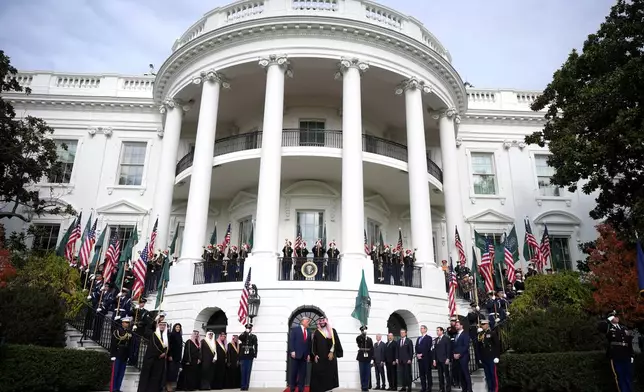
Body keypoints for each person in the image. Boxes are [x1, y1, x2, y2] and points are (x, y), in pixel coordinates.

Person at [602, 310, 634, 392]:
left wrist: (631, 355)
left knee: (628, 375)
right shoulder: (608, 327)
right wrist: (608, 319)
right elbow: (600, 326)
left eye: (617, 316)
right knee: (620, 376)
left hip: (626, 355)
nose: (617, 317)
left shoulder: (624, 328)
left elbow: (629, 342)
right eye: (614, 316)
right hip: (616, 355)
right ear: (610, 318)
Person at [310, 317, 344, 392]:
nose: (322, 322)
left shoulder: (332, 331)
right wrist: (315, 355)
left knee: (330, 374)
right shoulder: (317, 332)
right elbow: (313, 345)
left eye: (323, 321)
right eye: (320, 321)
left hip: (330, 357)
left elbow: (335, 343)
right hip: (320, 357)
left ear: (326, 322)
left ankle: (329, 390)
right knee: (319, 375)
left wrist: (332, 352)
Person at [138, 320, 169, 392]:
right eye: (161, 325)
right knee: (150, 377)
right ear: (158, 325)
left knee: (158, 377)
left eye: (164, 325)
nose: (162, 326)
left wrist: (165, 353)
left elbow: (166, 347)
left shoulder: (165, 336)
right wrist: (160, 353)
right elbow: (154, 346)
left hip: (160, 360)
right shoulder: (154, 334)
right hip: (152, 359)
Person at [110, 316, 133, 392]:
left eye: (128, 323)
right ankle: (113, 388)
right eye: (126, 322)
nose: (127, 324)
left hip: (125, 354)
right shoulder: (117, 331)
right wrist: (112, 355)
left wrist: (129, 355)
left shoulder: (129, 332)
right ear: (122, 323)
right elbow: (113, 344)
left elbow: (130, 345)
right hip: (118, 353)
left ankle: (118, 388)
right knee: (116, 372)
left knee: (121, 373)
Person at [288, 317, 311, 392]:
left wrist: (308, 354)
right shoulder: (295, 329)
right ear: (303, 321)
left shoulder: (309, 331)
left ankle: (301, 389)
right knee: (294, 372)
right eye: (307, 321)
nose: (308, 323)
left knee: (303, 373)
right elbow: (291, 341)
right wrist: (292, 351)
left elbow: (308, 344)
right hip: (295, 355)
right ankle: (292, 388)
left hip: (304, 356)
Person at [477, 320, 500, 392]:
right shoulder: (481, 334)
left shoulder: (492, 333)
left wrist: (497, 356)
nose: (482, 325)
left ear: (487, 324)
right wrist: (480, 357)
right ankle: (490, 389)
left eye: (484, 324)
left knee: (493, 374)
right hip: (485, 358)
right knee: (487, 375)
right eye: (482, 324)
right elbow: (479, 346)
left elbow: (497, 345)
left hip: (491, 357)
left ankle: (495, 390)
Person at [452, 321, 472, 392]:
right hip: (456, 357)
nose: (456, 326)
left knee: (465, 373)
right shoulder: (456, 335)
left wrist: (459, 354)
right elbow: (454, 346)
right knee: (460, 374)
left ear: (461, 326)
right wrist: (454, 354)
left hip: (463, 357)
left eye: (457, 325)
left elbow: (466, 346)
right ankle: (464, 389)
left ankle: (469, 389)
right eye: (456, 325)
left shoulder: (465, 334)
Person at [239, 323, 258, 391]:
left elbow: (256, 345)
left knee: (248, 371)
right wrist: (245, 332)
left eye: (249, 328)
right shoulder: (244, 335)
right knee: (243, 371)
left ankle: (246, 386)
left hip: (250, 355)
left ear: (251, 329)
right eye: (247, 328)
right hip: (243, 355)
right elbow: (240, 338)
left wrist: (255, 353)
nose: (248, 329)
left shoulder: (253, 336)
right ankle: (242, 386)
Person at [433, 327, 452, 392]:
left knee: (446, 375)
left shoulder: (446, 339)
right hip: (438, 360)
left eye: (438, 330)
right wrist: (434, 360)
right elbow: (434, 350)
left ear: (442, 331)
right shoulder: (436, 340)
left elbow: (448, 349)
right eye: (436, 331)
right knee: (440, 376)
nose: (437, 332)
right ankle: (441, 388)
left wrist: (448, 358)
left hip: (444, 359)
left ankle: (448, 389)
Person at [356, 326, 374, 392]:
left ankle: (366, 386)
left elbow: (372, 349)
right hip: (361, 357)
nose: (364, 331)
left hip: (368, 357)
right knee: (362, 372)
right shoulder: (359, 338)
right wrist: (363, 337)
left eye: (365, 330)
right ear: (361, 331)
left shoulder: (369, 339)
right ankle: (363, 386)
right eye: (363, 330)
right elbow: (359, 344)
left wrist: (372, 358)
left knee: (367, 372)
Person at [415, 325, 433, 392]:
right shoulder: (419, 338)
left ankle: (429, 388)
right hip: (420, 359)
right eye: (420, 328)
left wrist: (422, 354)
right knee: (422, 374)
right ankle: (423, 388)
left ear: (426, 329)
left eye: (422, 328)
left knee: (428, 374)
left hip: (426, 359)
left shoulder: (429, 338)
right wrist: (417, 354)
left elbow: (428, 347)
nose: (421, 329)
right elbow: (416, 347)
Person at [166, 323, 183, 392]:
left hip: (177, 357)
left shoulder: (180, 335)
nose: (178, 329)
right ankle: (168, 385)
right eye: (177, 327)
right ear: (174, 328)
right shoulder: (172, 335)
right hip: (172, 356)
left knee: (175, 373)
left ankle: (172, 386)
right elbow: (170, 345)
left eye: (179, 327)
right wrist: (170, 355)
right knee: (170, 372)